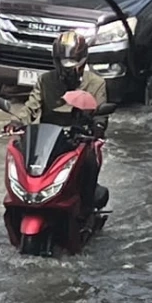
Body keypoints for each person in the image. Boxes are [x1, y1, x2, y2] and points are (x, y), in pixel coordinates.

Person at [23, 30, 110, 213]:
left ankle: (85, 210)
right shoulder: (45, 81)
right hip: (47, 142)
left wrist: (97, 127)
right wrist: (16, 122)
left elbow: (101, 114)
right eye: (63, 62)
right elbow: (31, 107)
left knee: (90, 163)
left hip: (80, 141)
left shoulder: (96, 83)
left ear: (83, 61)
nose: (67, 68)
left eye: (72, 63)